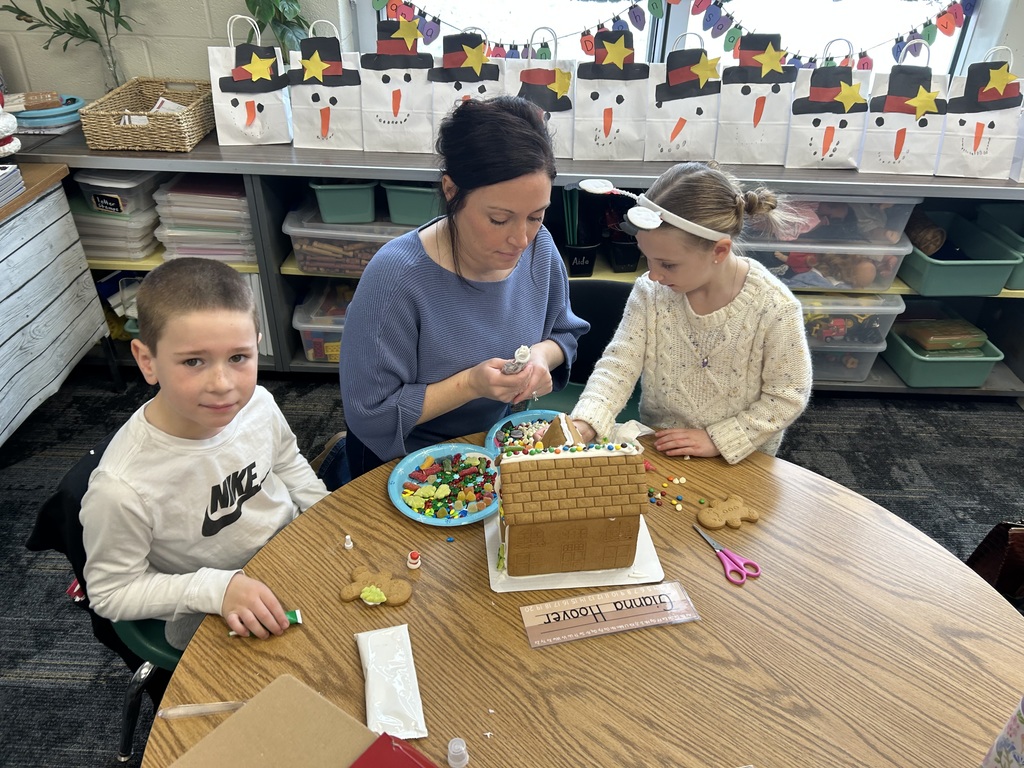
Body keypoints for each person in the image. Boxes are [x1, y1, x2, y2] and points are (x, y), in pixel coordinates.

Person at [333, 95, 589, 482]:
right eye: (499, 219)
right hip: (404, 459)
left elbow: (565, 335)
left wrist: (540, 357)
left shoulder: (541, 249)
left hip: (494, 446)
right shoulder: (395, 279)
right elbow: (371, 414)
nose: (521, 239)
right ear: (451, 191)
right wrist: (470, 384)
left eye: (536, 216)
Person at [80, 258, 329, 651]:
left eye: (238, 358)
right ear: (147, 361)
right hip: (209, 599)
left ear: (257, 348)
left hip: (289, 547)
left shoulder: (259, 404)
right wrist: (215, 588)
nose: (222, 384)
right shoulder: (121, 490)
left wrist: (324, 514)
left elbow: (287, 462)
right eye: (194, 361)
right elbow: (111, 593)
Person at [569, 162, 812, 464]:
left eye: (667, 264)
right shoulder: (651, 292)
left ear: (719, 252)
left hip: (740, 457)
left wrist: (719, 438)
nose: (653, 275)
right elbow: (619, 365)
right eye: (648, 259)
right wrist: (588, 420)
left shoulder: (775, 308)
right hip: (661, 445)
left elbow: (787, 396)